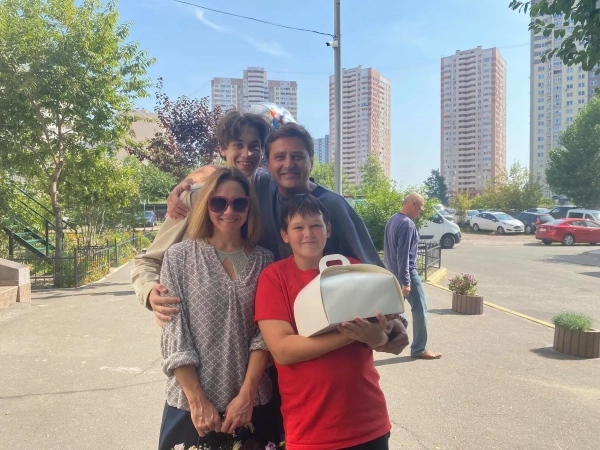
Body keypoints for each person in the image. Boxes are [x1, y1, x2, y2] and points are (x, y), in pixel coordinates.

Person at [163, 123, 409, 355]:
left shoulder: (333, 206)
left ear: (311, 161)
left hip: (326, 327)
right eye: (280, 157)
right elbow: (222, 170)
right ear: (267, 164)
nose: (288, 164)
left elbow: (371, 268)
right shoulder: (261, 187)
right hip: (270, 327)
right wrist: (186, 183)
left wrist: (397, 318)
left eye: (297, 156)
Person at [255, 194, 392, 450]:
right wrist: (351, 334)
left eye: (316, 225)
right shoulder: (274, 278)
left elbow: (382, 328)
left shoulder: (353, 269)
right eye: (298, 227)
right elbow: (283, 350)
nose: (308, 233)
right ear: (285, 235)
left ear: (328, 229)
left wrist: (379, 338)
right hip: (311, 429)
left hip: (369, 421)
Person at [158, 167, 278, 450]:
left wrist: (247, 396)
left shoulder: (265, 261)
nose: (229, 211)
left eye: (239, 203)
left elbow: (264, 334)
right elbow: (175, 334)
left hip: (250, 405)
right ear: (206, 205)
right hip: (191, 407)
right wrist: (197, 400)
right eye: (219, 202)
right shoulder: (179, 257)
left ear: (249, 207)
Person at [131, 109, 272, 319]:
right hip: (195, 326)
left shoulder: (266, 193)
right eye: (238, 145)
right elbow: (150, 260)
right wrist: (151, 291)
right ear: (223, 149)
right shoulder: (195, 197)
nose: (247, 153)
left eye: (254, 146)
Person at [383, 193, 441, 360]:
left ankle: (385, 341)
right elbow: (403, 255)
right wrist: (406, 281)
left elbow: (389, 251)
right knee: (420, 309)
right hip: (406, 274)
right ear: (413, 203)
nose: (422, 210)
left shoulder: (393, 220)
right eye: (421, 206)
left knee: (392, 310)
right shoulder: (407, 224)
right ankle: (419, 349)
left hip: (391, 273)